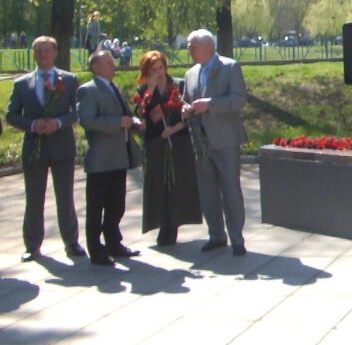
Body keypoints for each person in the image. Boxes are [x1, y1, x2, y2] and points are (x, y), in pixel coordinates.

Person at [5, 36, 85, 262]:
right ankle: (32, 245)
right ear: (33, 54)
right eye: (38, 51)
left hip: (62, 146)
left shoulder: (68, 80)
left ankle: (71, 242)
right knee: (34, 197)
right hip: (34, 147)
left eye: (46, 51)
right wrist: (31, 124)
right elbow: (11, 114)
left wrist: (58, 122)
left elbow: (79, 111)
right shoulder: (22, 84)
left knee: (65, 196)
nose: (42, 55)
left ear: (55, 53)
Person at [182, 29, 248, 255]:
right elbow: (186, 101)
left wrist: (210, 104)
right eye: (189, 46)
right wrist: (186, 109)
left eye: (193, 46)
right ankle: (216, 235)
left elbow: (239, 100)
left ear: (208, 47)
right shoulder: (191, 73)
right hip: (200, 142)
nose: (189, 50)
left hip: (225, 140)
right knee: (208, 191)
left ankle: (237, 239)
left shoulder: (230, 67)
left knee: (230, 189)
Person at [77, 50, 143, 266]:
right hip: (101, 159)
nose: (113, 66)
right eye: (107, 62)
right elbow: (88, 120)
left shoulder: (114, 87)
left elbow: (123, 115)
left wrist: (132, 120)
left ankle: (114, 243)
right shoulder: (87, 91)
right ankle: (96, 250)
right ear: (95, 67)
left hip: (119, 156)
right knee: (97, 206)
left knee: (117, 204)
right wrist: (118, 122)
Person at [134, 51, 202, 245]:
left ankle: (173, 225)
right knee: (159, 184)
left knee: (178, 184)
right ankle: (162, 223)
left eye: (160, 68)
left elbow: (187, 113)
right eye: (153, 70)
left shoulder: (178, 86)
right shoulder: (143, 91)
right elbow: (140, 114)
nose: (158, 73)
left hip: (178, 140)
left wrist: (175, 128)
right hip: (156, 142)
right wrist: (150, 91)